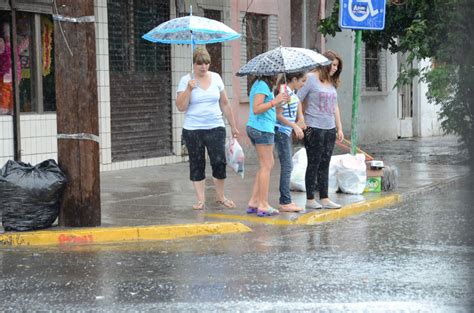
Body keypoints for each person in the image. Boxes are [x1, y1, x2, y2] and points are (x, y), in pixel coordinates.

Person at [176, 47, 239, 210]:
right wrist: (189, 89)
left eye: (206, 63)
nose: (203, 67)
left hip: (215, 127)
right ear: (194, 64)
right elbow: (180, 106)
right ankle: (200, 199)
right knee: (197, 163)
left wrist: (233, 125)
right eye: (199, 64)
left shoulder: (216, 78)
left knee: (219, 162)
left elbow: (224, 103)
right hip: (193, 129)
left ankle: (220, 196)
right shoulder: (186, 80)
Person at [297, 50, 344, 209]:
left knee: (325, 163)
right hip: (313, 128)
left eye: (337, 66)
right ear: (325, 63)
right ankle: (310, 199)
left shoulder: (330, 82)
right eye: (334, 65)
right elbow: (297, 98)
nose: (335, 68)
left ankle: (324, 198)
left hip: (329, 128)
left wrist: (339, 127)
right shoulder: (310, 79)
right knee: (314, 163)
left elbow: (335, 106)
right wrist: (301, 119)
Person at [246, 75, 289, 217]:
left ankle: (254, 202)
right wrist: (274, 101)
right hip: (262, 128)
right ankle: (263, 204)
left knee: (267, 164)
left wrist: (278, 102)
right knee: (266, 166)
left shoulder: (262, 85)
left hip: (262, 127)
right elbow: (256, 109)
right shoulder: (262, 85)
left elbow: (266, 106)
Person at [274, 72, 307, 212]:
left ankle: (286, 200)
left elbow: (297, 109)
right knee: (287, 166)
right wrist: (293, 125)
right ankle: (285, 201)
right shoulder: (284, 92)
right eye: (302, 80)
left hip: (286, 132)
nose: (304, 83)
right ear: (294, 79)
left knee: (288, 165)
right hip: (281, 132)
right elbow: (278, 114)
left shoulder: (292, 93)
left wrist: (300, 121)